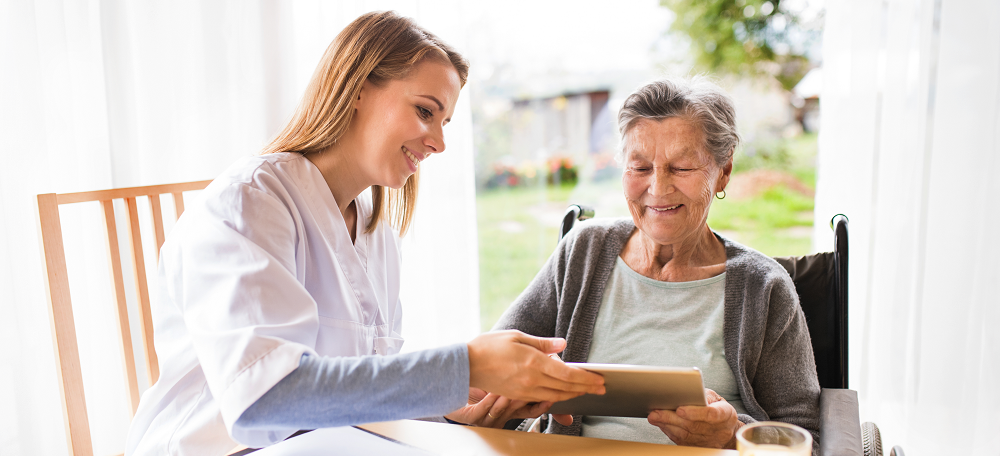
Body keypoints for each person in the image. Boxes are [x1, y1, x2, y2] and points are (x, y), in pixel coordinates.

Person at [125, 11, 604, 456]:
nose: (438, 142)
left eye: (444, 122)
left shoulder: (376, 235)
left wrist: (456, 401)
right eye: (424, 111)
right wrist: (464, 366)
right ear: (358, 87)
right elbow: (265, 399)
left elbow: (350, 395)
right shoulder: (250, 203)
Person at [494, 77, 821, 450]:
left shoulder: (764, 287)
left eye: (681, 168)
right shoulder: (583, 250)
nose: (658, 188)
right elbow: (496, 364)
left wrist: (733, 435)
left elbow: (808, 434)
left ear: (723, 172)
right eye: (640, 167)